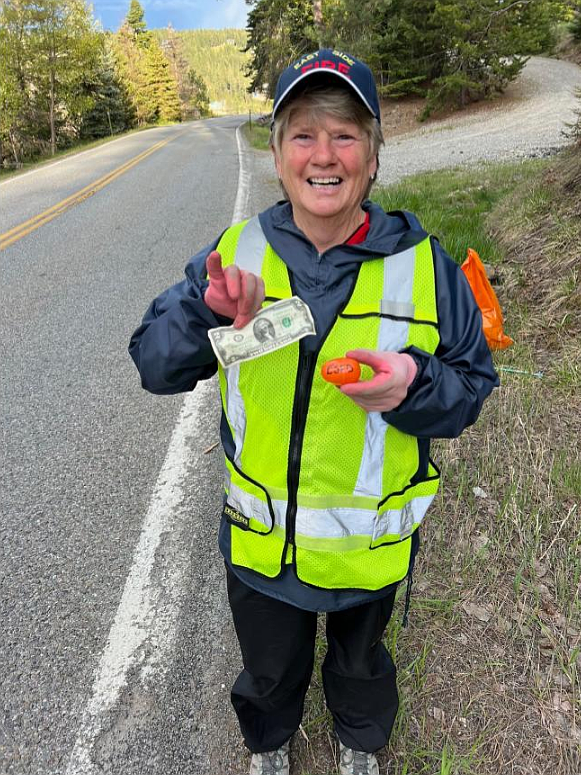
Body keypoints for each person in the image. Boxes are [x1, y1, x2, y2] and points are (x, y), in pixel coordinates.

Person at [129, 49, 498, 775]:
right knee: (269, 669)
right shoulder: (235, 256)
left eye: (345, 133)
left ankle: (360, 741)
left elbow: (470, 388)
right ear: (275, 154)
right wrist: (207, 315)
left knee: (361, 664)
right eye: (302, 132)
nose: (323, 154)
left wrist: (412, 386)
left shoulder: (428, 267)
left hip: (370, 549)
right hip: (261, 545)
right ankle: (270, 743)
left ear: (373, 155)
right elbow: (154, 363)